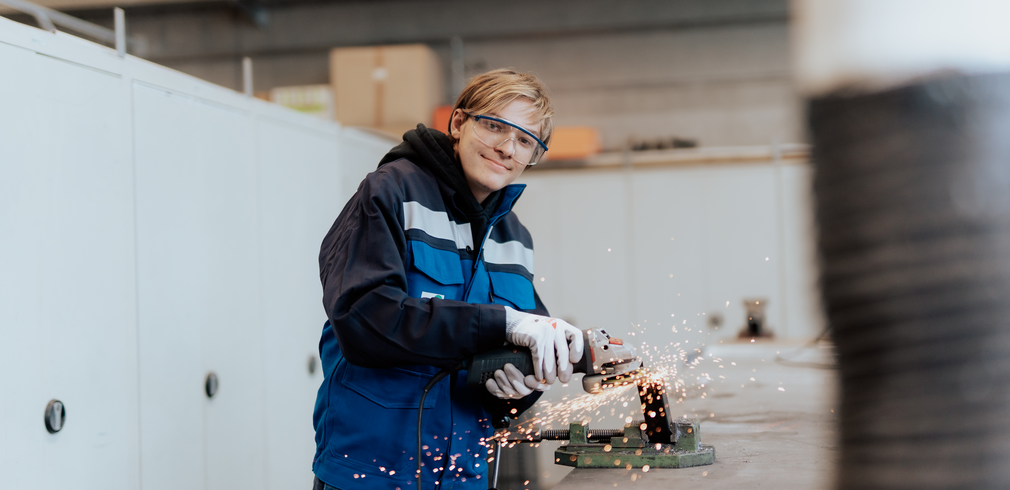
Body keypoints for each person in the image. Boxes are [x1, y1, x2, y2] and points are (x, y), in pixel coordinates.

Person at [312, 69, 584, 490]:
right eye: (495, 126)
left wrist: (515, 390)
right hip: (370, 474)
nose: (507, 148)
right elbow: (364, 318)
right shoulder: (390, 193)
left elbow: (524, 350)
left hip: (463, 476)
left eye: (526, 141)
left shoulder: (513, 237)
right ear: (458, 123)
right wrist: (503, 323)